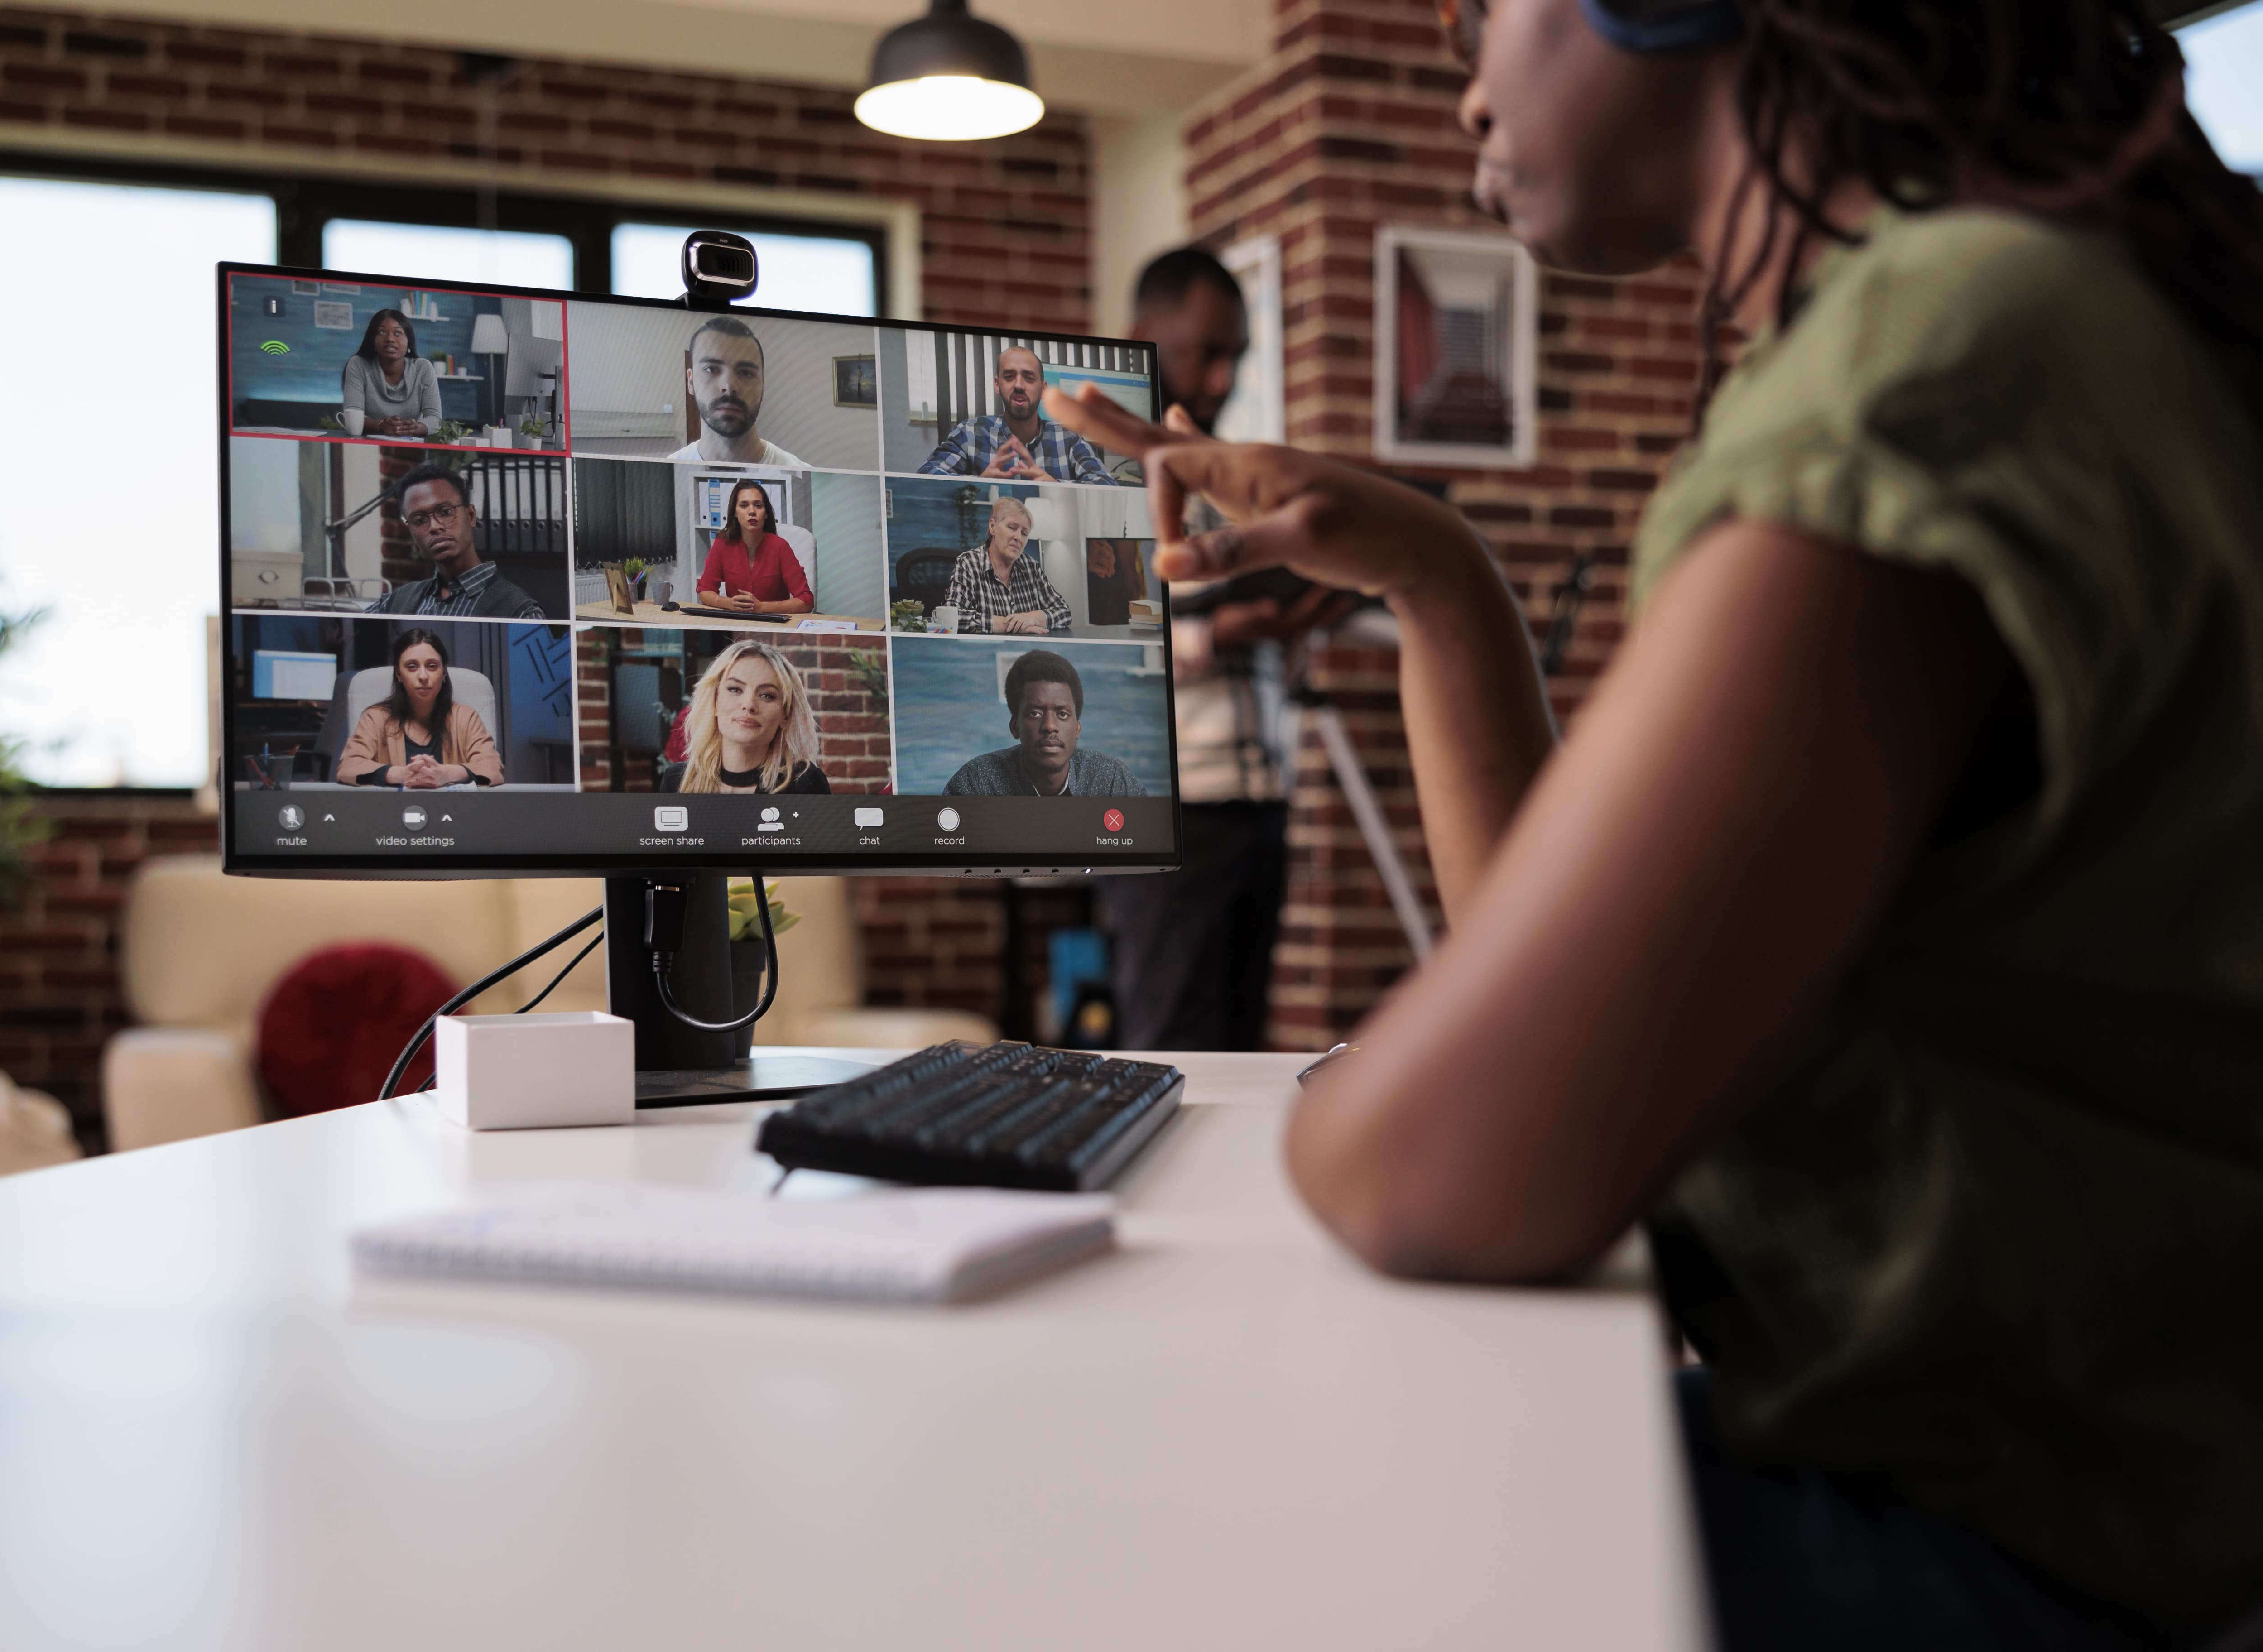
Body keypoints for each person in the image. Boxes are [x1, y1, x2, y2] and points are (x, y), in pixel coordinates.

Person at [1049, 0, 2263, 1645]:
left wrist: (1377, 1090)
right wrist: (1436, 572)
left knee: (1126, 1488)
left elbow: (1440, 1170)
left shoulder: (1943, 348)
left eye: (1485, 15)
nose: (1465, 85)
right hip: (2082, 1487)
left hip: (2009, 1540)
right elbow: (1575, 1037)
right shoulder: (1995, 304)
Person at [1100, 245, 1349, 1052]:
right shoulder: (1097, 484)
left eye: (1234, 358)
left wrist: (1296, 622)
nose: (1220, 382)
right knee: (1175, 1050)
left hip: (1259, 800)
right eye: (1204, 353)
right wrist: (1217, 635)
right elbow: (1099, 654)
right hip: (1170, 818)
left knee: (1242, 1053)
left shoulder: (1233, 483)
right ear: (1143, 335)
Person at [944, 650, 1144, 797]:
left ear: (1078, 728)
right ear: (1015, 727)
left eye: (1063, 714)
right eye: (1035, 713)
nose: (1050, 726)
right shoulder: (977, 782)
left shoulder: (1111, 779)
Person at [367, 463, 547, 620]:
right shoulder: (398, 601)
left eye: (445, 512)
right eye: (420, 520)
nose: (435, 527)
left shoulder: (520, 612)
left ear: (471, 516)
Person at [919, 345, 1117, 484]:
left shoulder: (1068, 438)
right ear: (998, 385)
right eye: (1009, 377)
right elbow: (926, 477)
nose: (1019, 385)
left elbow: (1107, 487)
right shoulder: (970, 433)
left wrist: (1057, 487)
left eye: (1029, 378)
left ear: (1043, 389)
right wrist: (979, 484)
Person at [334, 628, 504, 788]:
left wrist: (446, 774)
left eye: (432, 666)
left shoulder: (466, 717)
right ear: (399, 674)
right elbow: (349, 767)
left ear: (444, 673)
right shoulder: (376, 717)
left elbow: (493, 767)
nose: (423, 676)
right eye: (412, 667)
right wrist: (401, 775)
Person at [660, 638, 830, 794]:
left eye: (767, 696)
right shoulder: (676, 781)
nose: (749, 705)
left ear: (785, 716)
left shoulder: (805, 782)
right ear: (715, 703)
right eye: (735, 689)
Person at [667, 317, 808, 469]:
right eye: (711, 369)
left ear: (763, 386)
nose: (729, 386)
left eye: (746, 373)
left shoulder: (802, 477)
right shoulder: (670, 472)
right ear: (691, 382)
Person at [943, 496, 1070, 635]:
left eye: (1024, 533)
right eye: (1012, 528)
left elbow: (1064, 612)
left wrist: (1033, 618)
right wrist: (1013, 625)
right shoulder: (968, 563)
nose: (1018, 537)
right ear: (993, 527)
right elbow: (952, 617)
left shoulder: (1031, 567)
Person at [694, 480, 812, 615]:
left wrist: (761, 608)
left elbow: (806, 601)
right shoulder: (723, 543)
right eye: (744, 506)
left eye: (758, 506)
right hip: (736, 623)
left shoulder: (780, 547)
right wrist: (729, 604)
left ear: (766, 514)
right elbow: (705, 590)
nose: (752, 511)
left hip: (774, 626)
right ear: (735, 512)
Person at [341, 309, 443, 440]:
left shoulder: (423, 368)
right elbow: (353, 416)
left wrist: (416, 428)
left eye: (398, 333)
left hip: (411, 446)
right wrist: (381, 426)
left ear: (409, 343)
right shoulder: (358, 365)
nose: (390, 339)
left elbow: (435, 418)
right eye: (382, 332)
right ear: (373, 341)